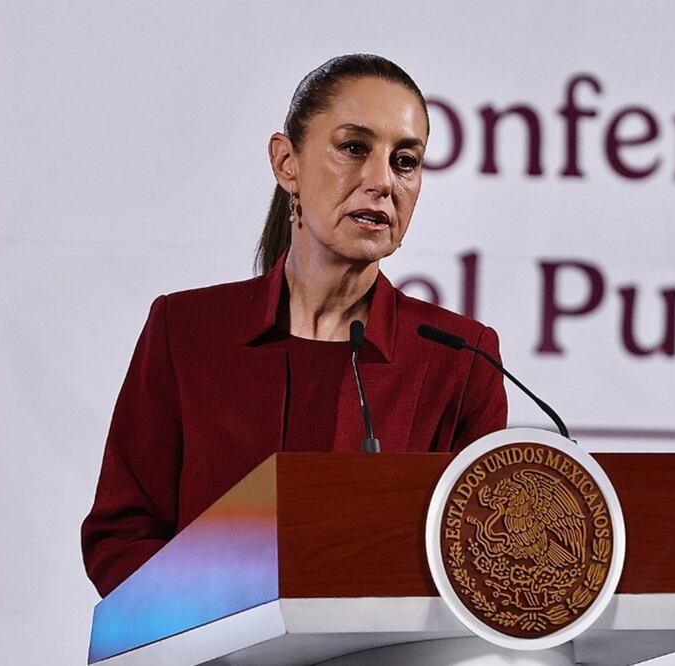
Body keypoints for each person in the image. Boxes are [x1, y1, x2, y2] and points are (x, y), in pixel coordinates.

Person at [80, 54, 508, 598]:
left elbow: (481, 561)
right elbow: (121, 535)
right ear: (287, 163)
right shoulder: (185, 331)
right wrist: (220, 620)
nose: (382, 181)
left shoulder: (460, 357)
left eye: (405, 161)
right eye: (354, 148)